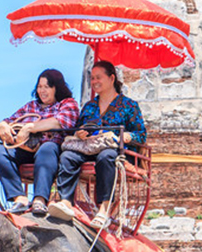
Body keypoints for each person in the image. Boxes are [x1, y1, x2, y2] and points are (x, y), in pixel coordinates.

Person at [49, 60, 146, 227]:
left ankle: (104, 208)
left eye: (98, 77)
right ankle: (66, 201)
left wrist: (124, 137)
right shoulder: (89, 107)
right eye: (92, 78)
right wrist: (79, 133)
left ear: (111, 78)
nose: (94, 82)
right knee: (68, 156)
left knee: (106, 156)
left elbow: (141, 135)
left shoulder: (129, 106)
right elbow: (77, 129)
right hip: (88, 148)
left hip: (114, 150)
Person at [0, 69, 79, 215]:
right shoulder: (31, 106)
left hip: (51, 151)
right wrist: (3, 126)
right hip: (26, 148)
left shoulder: (67, 104)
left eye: (47, 87)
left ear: (57, 88)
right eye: (39, 87)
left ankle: (40, 199)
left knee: (47, 148)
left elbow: (60, 122)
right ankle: (20, 198)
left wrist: (30, 128)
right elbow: (11, 120)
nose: (42, 91)